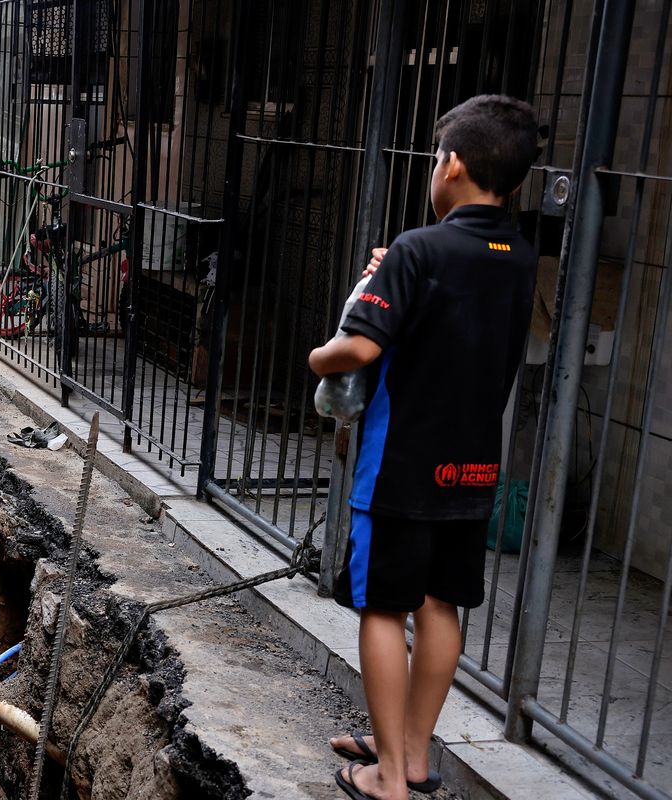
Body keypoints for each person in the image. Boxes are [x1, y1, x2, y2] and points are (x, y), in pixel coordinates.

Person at [307, 94, 540, 800]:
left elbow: (362, 346)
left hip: (402, 463)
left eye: (439, 159)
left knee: (382, 608)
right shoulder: (518, 255)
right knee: (441, 606)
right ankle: (407, 754)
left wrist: (318, 357)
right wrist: (400, 275)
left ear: (455, 165)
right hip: (472, 465)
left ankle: (386, 782)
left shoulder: (419, 248)